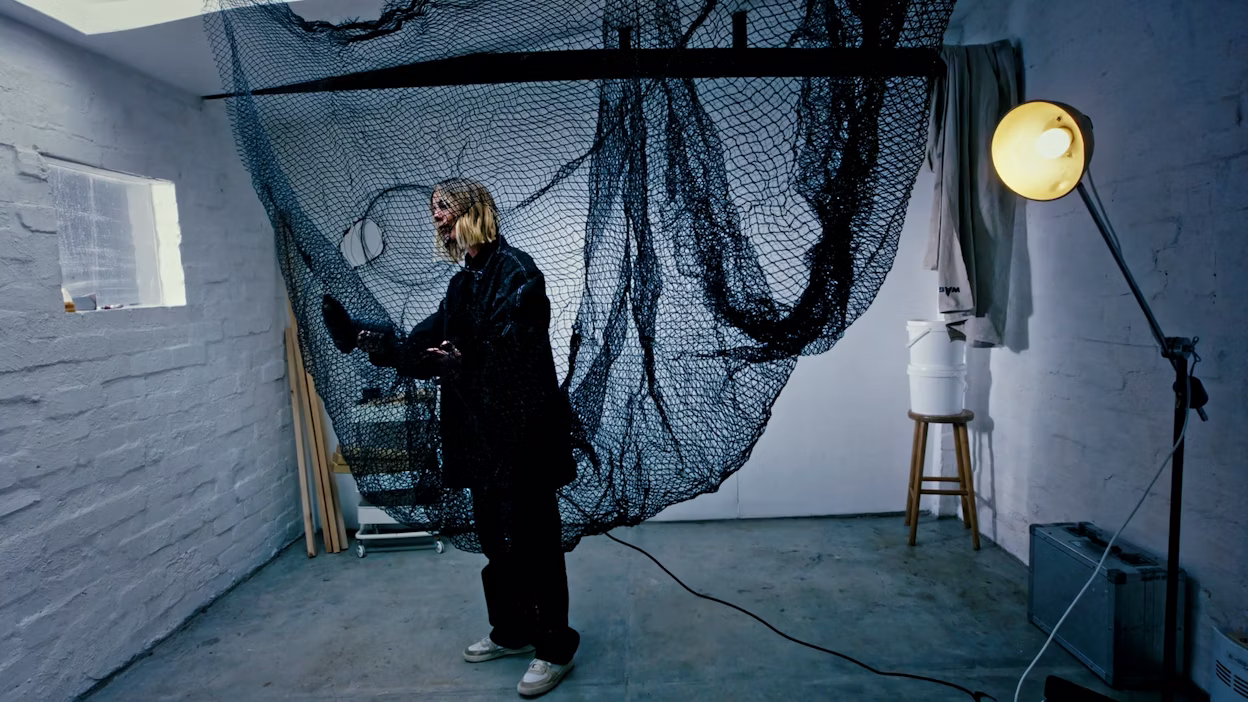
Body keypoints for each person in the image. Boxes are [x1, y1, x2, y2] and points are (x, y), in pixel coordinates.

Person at [350, 177, 579, 697]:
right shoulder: (461, 284)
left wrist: (465, 360)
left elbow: (514, 352)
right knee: (496, 544)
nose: (436, 217)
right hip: (480, 441)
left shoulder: (518, 272)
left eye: (445, 207)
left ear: (475, 211)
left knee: (534, 544)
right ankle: (513, 631)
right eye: (434, 209)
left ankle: (555, 647)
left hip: (523, 440)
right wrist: (375, 343)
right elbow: (426, 344)